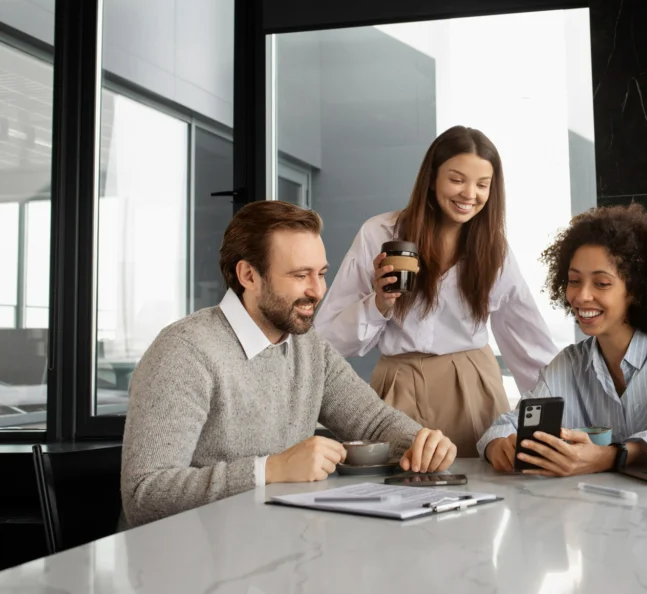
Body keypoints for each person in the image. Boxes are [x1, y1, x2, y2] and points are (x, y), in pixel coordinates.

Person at [121, 201, 456, 527]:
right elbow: (144, 495)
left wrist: (422, 444)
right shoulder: (184, 352)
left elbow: (373, 423)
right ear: (248, 275)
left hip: (276, 548)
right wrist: (270, 470)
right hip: (186, 567)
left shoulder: (308, 347)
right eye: (300, 276)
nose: (317, 291)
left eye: (321, 274)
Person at [314, 126, 559, 456]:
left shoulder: (494, 250)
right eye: (457, 180)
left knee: (479, 490)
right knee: (394, 492)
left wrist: (558, 421)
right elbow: (327, 338)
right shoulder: (380, 233)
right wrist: (380, 303)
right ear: (432, 178)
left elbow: (528, 342)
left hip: (473, 385)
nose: (469, 194)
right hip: (397, 386)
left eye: (482, 185)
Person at [477, 204, 647, 477]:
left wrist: (613, 455)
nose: (581, 296)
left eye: (601, 283)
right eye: (574, 281)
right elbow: (503, 427)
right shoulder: (569, 364)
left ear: (635, 290)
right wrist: (498, 446)